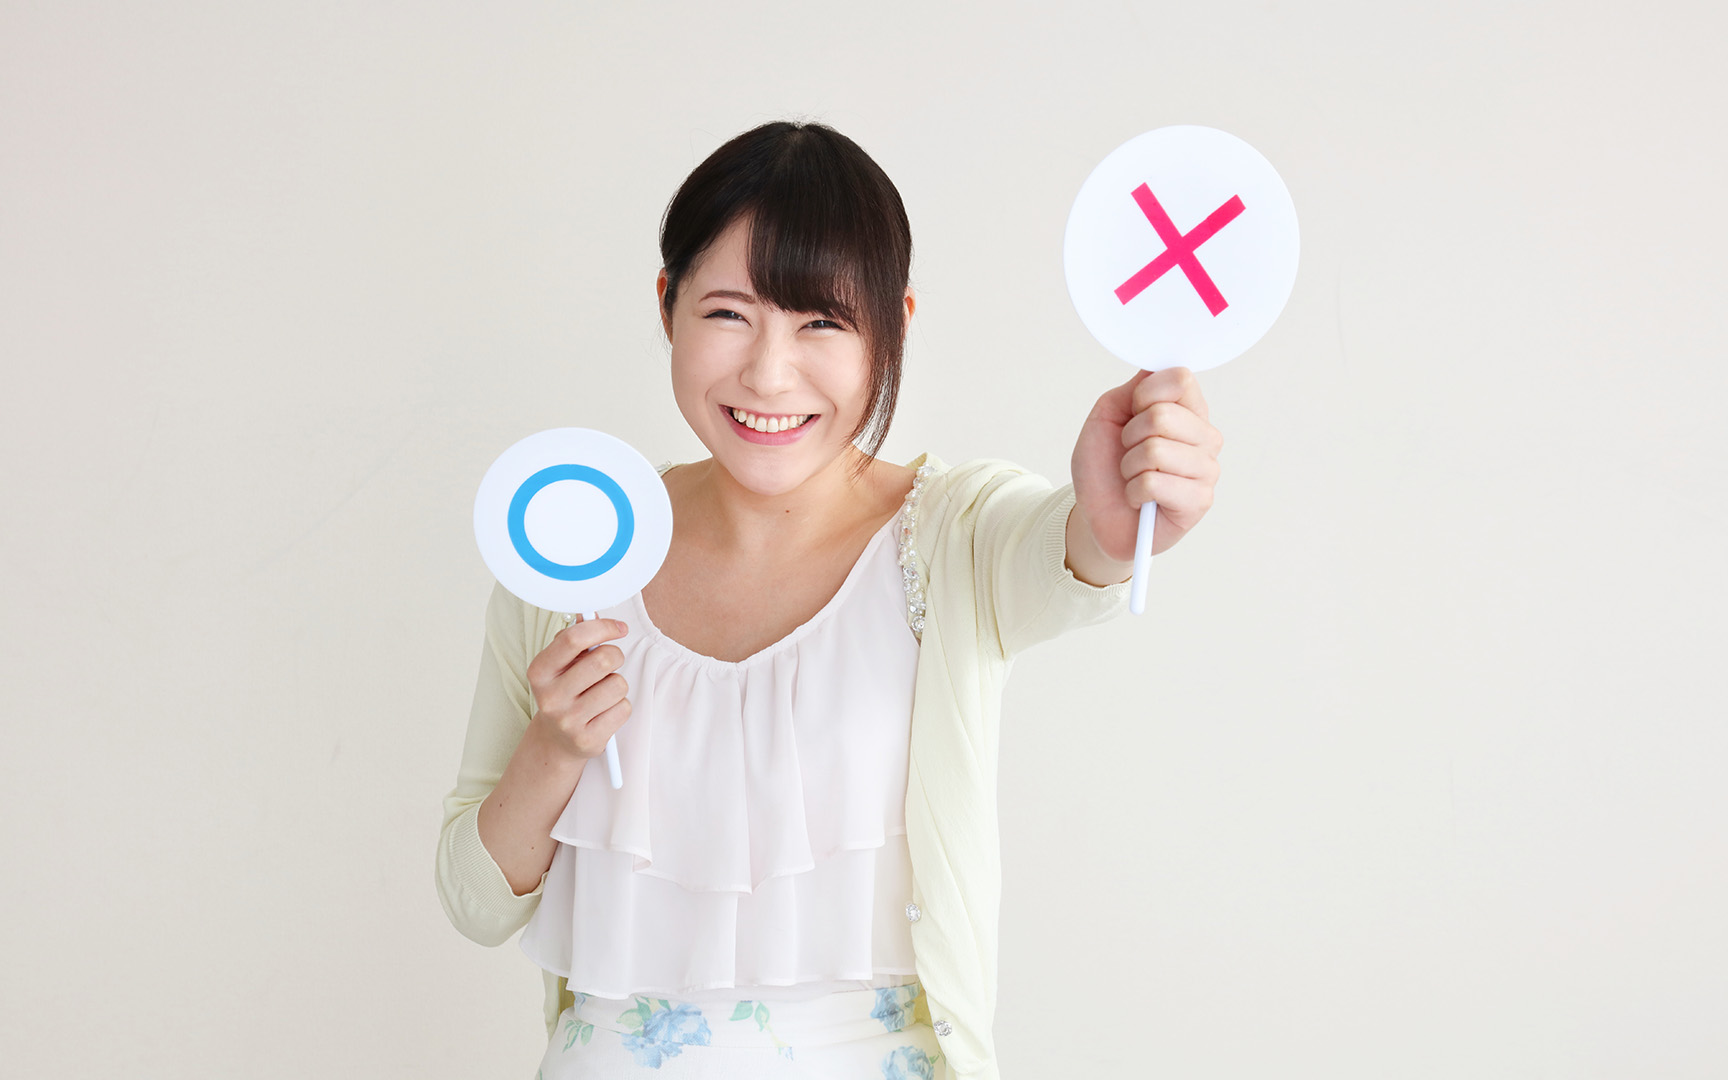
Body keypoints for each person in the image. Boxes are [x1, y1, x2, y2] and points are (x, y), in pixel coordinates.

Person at [436, 120, 1223, 1080]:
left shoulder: (950, 534)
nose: (769, 374)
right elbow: (475, 902)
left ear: (895, 325)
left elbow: (1067, 554)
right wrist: (552, 750)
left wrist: (1114, 522)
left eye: (822, 322)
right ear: (667, 304)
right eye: (729, 314)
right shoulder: (574, 553)